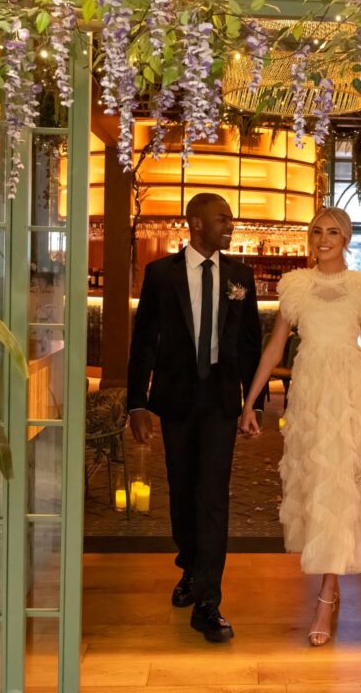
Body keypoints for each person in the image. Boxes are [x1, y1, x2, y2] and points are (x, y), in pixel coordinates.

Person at [238, 206, 361, 646]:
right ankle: (330, 575)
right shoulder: (295, 286)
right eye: (316, 232)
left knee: (341, 484)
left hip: (349, 397)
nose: (322, 239)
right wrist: (249, 402)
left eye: (332, 232)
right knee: (316, 484)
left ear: (346, 239)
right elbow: (275, 347)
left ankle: (325, 595)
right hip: (308, 397)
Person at [127, 192, 264, 643]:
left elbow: (249, 343)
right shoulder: (160, 275)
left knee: (213, 496)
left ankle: (208, 601)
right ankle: (190, 565)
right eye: (223, 218)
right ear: (196, 222)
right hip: (176, 400)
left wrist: (254, 404)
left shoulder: (241, 276)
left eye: (231, 218)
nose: (231, 225)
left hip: (221, 402)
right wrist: (137, 403)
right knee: (182, 491)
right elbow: (144, 341)